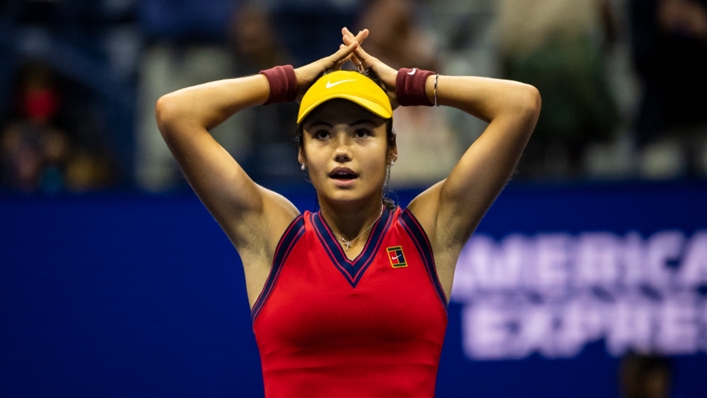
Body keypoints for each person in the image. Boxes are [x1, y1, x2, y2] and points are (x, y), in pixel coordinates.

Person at [155, 27, 540, 397]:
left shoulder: (430, 231)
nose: (342, 149)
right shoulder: (271, 234)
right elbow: (175, 113)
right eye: (322, 133)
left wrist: (409, 84)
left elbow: (520, 104)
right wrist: (289, 81)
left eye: (362, 132)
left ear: (392, 149)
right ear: (301, 154)